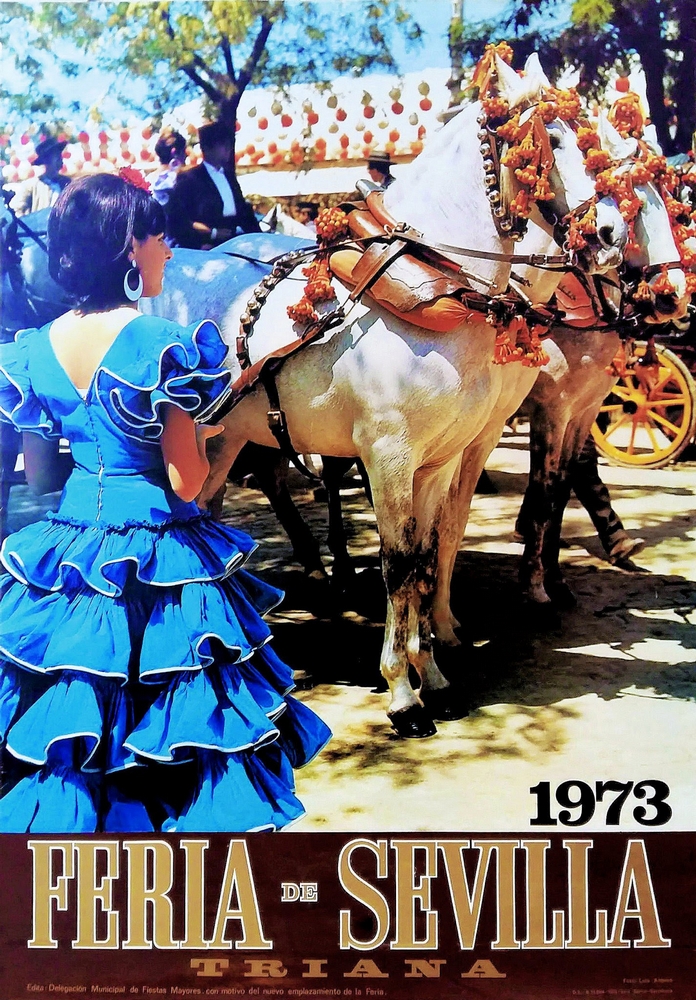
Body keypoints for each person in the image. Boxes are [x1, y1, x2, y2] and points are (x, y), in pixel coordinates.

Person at [0, 172, 330, 832]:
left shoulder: (32, 351)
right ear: (128, 247)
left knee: (77, 726)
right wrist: (206, 429)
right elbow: (185, 482)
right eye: (159, 239)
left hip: (67, 550)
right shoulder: (159, 347)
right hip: (159, 552)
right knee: (185, 731)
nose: (170, 253)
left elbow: (38, 481)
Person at [166, 121, 260, 249]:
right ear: (208, 148)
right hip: (206, 246)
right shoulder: (189, 178)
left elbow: (243, 211)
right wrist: (210, 234)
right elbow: (177, 220)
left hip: (235, 242)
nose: (228, 149)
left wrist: (259, 238)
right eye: (223, 145)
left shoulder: (228, 175)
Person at [8, 135, 71, 216]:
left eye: (59, 154)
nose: (60, 158)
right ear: (46, 160)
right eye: (55, 155)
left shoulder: (67, 183)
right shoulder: (31, 185)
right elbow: (16, 209)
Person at [151, 128, 187, 207]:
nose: (186, 155)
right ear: (174, 152)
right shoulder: (177, 181)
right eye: (184, 151)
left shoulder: (149, 179)